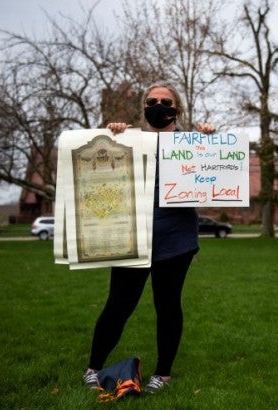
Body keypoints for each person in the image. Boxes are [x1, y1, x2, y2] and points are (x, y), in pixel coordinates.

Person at [83, 82, 215, 394]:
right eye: (152, 101)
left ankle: (163, 375)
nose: (158, 105)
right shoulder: (127, 141)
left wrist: (211, 141)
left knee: (168, 305)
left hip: (176, 240)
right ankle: (93, 367)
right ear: (144, 108)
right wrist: (111, 134)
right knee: (118, 305)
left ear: (177, 109)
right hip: (132, 236)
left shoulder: (193, 143)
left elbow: (213, 177)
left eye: (165, 101)